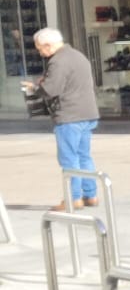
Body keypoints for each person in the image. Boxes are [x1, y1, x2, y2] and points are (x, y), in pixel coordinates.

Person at [23, 27, 99, 210]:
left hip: (69, 116)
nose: (40, 53)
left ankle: (73, 198)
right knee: (84, 156)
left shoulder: (58, 61)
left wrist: (34, 88)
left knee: (69, 158)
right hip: (87, 113)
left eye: (40, 49)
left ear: (48, 45)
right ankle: (91, 195)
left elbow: (51, 89)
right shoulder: (77, 55)